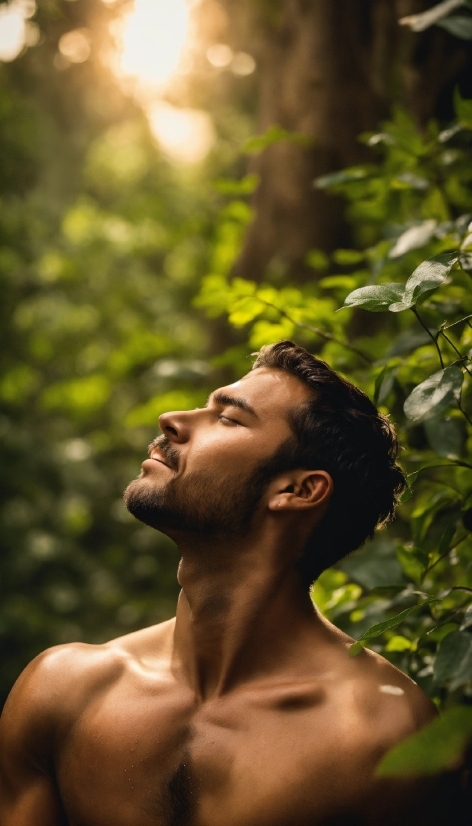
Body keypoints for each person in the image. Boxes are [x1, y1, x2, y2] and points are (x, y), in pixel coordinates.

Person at [0, 340, 466, 825]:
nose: (171, 419)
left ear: (297, 490)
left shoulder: (380, 738)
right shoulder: (62, 694)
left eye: (228, 418)